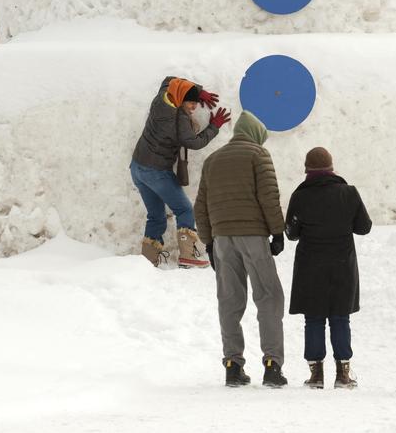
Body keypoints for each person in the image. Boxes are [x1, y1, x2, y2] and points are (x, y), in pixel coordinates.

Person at [195, 110, 287, 388]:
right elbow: (268, 197)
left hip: (223, 238)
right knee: (269, 296)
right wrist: (278, 231)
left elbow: (201, 205)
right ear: (257, 136)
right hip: (253, 235)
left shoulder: (212, 160)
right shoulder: (258, 156)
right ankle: (272, 366)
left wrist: (209, 241)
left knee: (229, 300)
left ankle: (232, 365)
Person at [285, 146, 372, 390]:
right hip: (342, 265)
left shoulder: (300, 196)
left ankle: (316, 375)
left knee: (313, 319)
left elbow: (291, 233)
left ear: (307, 170)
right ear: (331, 168)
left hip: (310, 266)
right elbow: (364, 227)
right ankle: (343, 374)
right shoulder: (349, 192)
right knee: (340, 317)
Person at [130, 76, 230, 268]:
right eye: (191, 103)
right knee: (184, 209)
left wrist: (198, 91)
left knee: (156, 215)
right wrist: (214, 126)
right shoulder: (179, 119)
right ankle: (187, 255)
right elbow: (193, 142)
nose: (194, 107)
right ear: (181, 99)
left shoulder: (162, 97)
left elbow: (170, 79)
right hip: (156, 172)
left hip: (137, 168)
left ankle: (147, 262)